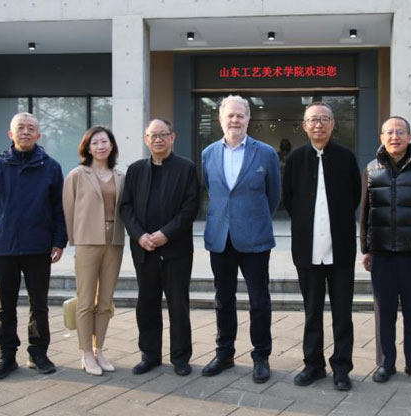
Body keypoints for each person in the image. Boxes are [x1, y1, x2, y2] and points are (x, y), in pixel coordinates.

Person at [0, 112, 67, 380]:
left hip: (38, 247)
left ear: (38, 135)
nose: (25, 132)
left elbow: (59, 209)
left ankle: (38, 353)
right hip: (3, 248)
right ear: (10, 134)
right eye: (20, 128)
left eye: (30, 128)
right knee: (5, 306)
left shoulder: (51, 167)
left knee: (39, 305)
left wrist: (59, 241)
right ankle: (6, 355)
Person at [201, 95, 280, 384]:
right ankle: (225, 353)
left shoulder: (266, 153)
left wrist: (253, 218)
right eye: (230, 115)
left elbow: (274, 195)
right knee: (223, 299)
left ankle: (261, 356)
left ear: (248, 119)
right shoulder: (208, 153)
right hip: (221, 238)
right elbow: (211, 189)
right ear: (221, 119)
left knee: (259, 300)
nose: (235, 120)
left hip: (255, 238)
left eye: (240, 115)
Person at [282, 102, 361, 391]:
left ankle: (341, 368)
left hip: (340, 249)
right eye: (313, 120)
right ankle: (313, 365)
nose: (318, 124)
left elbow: (355, 195)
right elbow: (288, 199)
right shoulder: (296, 159)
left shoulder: (346, 157)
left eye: (324, 119)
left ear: (332, 124)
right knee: (312, 311)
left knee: (342, 313)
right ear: (304, 126)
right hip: (307, 249)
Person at [360, 116, 411, 385]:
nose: (394, 137)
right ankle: (385, 364)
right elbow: (365, 212)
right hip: (382, 253)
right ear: (381, 137)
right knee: (383, 312)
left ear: (409, 136)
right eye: (389, 132)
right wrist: (365, 248)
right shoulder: (372, 169)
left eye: (400, 132)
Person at [120, 118, 200, 376]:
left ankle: (180, 357)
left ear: (172, 137)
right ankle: (150, 354)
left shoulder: (186, 168)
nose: (158, 139)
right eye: (153, 135)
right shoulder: (135, 170)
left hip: (176, 250)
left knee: (178, 305)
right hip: (144, 250)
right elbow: (126, 207)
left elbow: (191, 207)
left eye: (163, 134)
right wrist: (139, 235)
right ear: (146, 139)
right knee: (147, 304)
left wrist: (166, 234)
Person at [63, 126, 125, 376]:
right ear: (87, 148)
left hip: (114, 240)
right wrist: (73, 239)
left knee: (106, 300)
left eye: (104, 142)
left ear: (112, 146)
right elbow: (68, 208)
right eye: (95, 142)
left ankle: (99, 349)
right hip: (88, 240)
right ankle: (86, 351)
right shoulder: (78, 174)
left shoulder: (120, 176)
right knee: (86, 299)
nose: (100, 146)